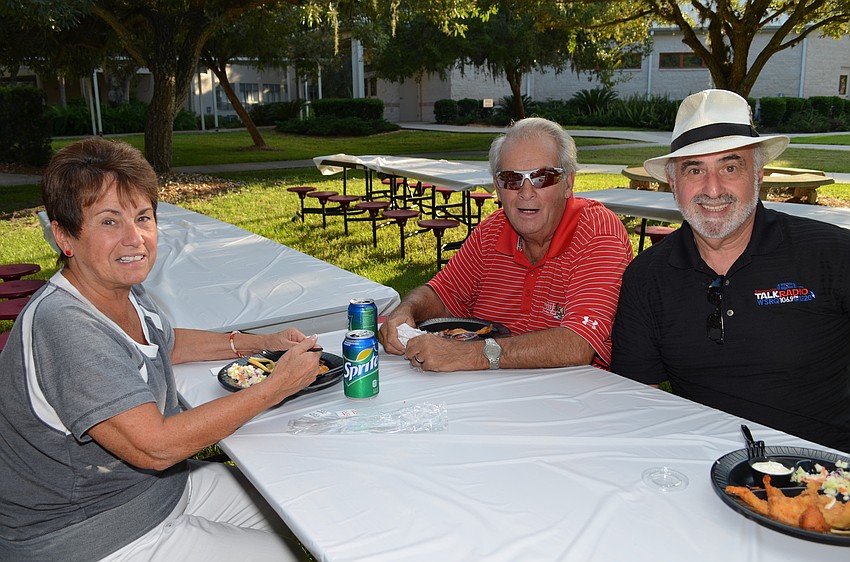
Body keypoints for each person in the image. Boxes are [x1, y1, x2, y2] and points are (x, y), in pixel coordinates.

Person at [0, 139, 323, 561]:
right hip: (86, 531)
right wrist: (274, 387)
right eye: (109, 222)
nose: (135, 238)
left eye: (143, 217)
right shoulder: (65, 326)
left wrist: (260, 343)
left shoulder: (120, 290)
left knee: (300, 502)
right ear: (65, 236)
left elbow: (164, 342)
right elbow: (155, 447)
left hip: (156, 489)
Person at [611, 89, 850, 453]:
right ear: (673, 184)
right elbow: (640, 399)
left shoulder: (831, 254)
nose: (713, 188)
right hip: (703, 468)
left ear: (759, 176)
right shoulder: (647, 277)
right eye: (694, 169)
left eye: (730, 166)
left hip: (825, 476)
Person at [379, 117, 633, 372]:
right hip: (490, 388)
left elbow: (578, 343)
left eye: (542, 177)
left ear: (568, 183)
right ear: (498, 188)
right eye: (511, 179)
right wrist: (406, 310)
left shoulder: (598, 233)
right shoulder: (492, 231)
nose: (526, 192)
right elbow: (443, 293)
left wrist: (469, 355)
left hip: (573, 395)